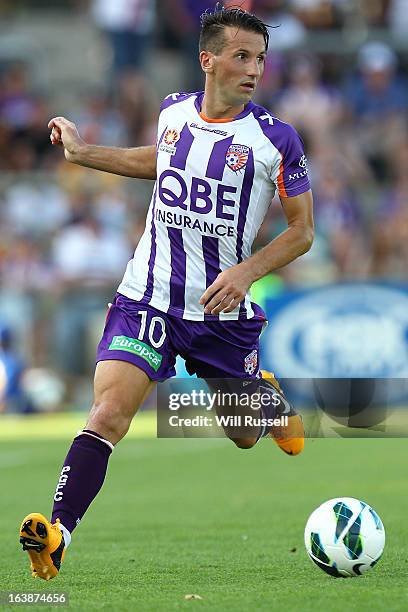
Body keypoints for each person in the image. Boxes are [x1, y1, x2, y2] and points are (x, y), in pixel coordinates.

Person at [19, 5, 313, 581]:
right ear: (208, 59)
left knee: (245, 436)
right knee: (107, 414)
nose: (253, 69)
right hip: (145, 297)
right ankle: (57, 536)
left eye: (259, 59)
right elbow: (157, 161)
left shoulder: (275, 140)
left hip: (218, 311)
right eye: (241, 56)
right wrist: (84, 154)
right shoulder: (172, 111)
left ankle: (264, 399)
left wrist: (246, 273)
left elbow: (303, 231)